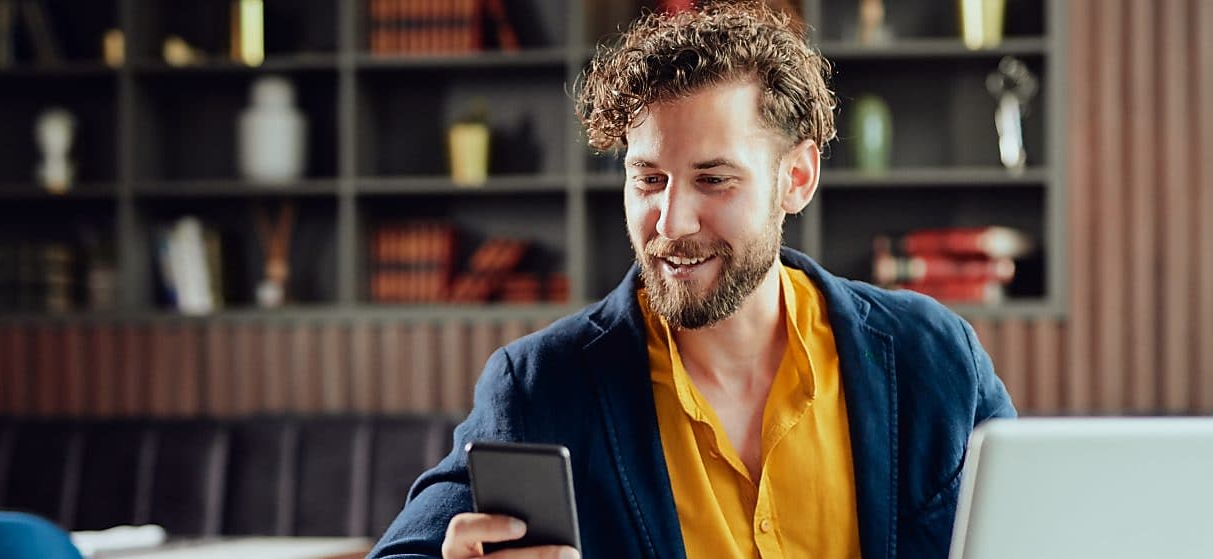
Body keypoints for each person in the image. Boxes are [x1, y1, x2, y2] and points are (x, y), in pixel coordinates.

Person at [368, 2, 1015, 558]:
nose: (670, 221)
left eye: (714, 179)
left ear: (797, 178)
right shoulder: (542, 388)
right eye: (648, 178)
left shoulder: (934, 358)